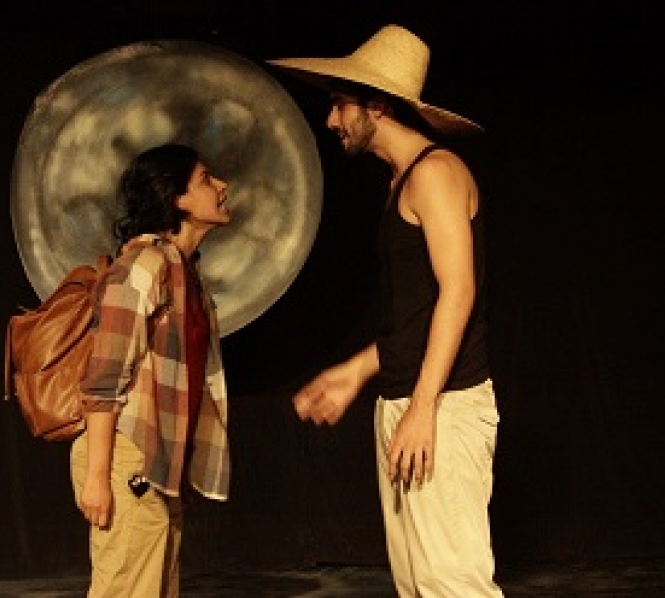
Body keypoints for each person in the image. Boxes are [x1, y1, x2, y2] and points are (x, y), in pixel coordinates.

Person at [268, 25, 503, 597]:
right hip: (409, 401)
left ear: (377, 106)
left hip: (442, 405)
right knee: (419, 586)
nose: (332, 121)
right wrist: (357, 371)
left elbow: (458, 292)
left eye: (340, 105)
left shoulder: (436, 174)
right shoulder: (401, 181)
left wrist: (422, 409)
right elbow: (416, 316)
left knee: (454, 586)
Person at [70, 142, 232, 597]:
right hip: (124, 456)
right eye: (206, 179)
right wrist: (98, 477)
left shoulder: (186, 274)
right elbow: (104, 380)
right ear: (177, 199)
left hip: (157, 461)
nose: (222, 186)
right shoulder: (143, 266)